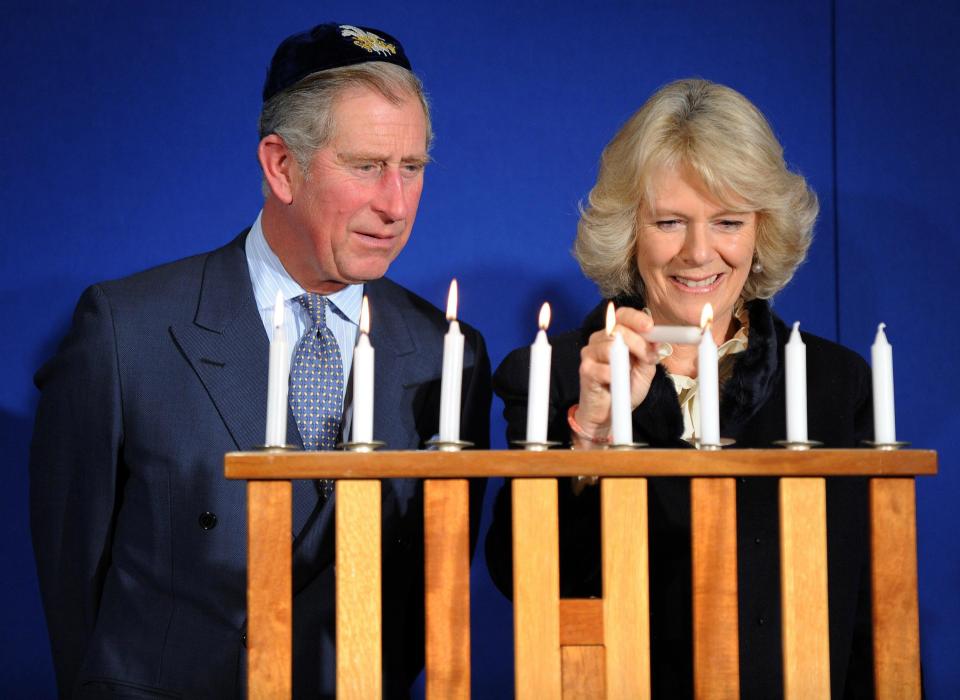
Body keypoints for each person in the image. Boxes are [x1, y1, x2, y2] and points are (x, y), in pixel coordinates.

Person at [30, 23, 491, 699]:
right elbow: (73, 578)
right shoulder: (127, 332)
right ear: (281, 166)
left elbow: (431, 591)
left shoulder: (450, 354)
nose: (395, 204)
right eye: (365, 166)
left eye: (412, 168)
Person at [485, 78, 873, 698]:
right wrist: (595, 433)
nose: (699, 253)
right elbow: (527, 581)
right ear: (629, 231)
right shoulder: (551, 375)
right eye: (669, 221)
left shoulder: (836, 383)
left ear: (760, 231)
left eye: (727, 221)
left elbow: (866, 620)